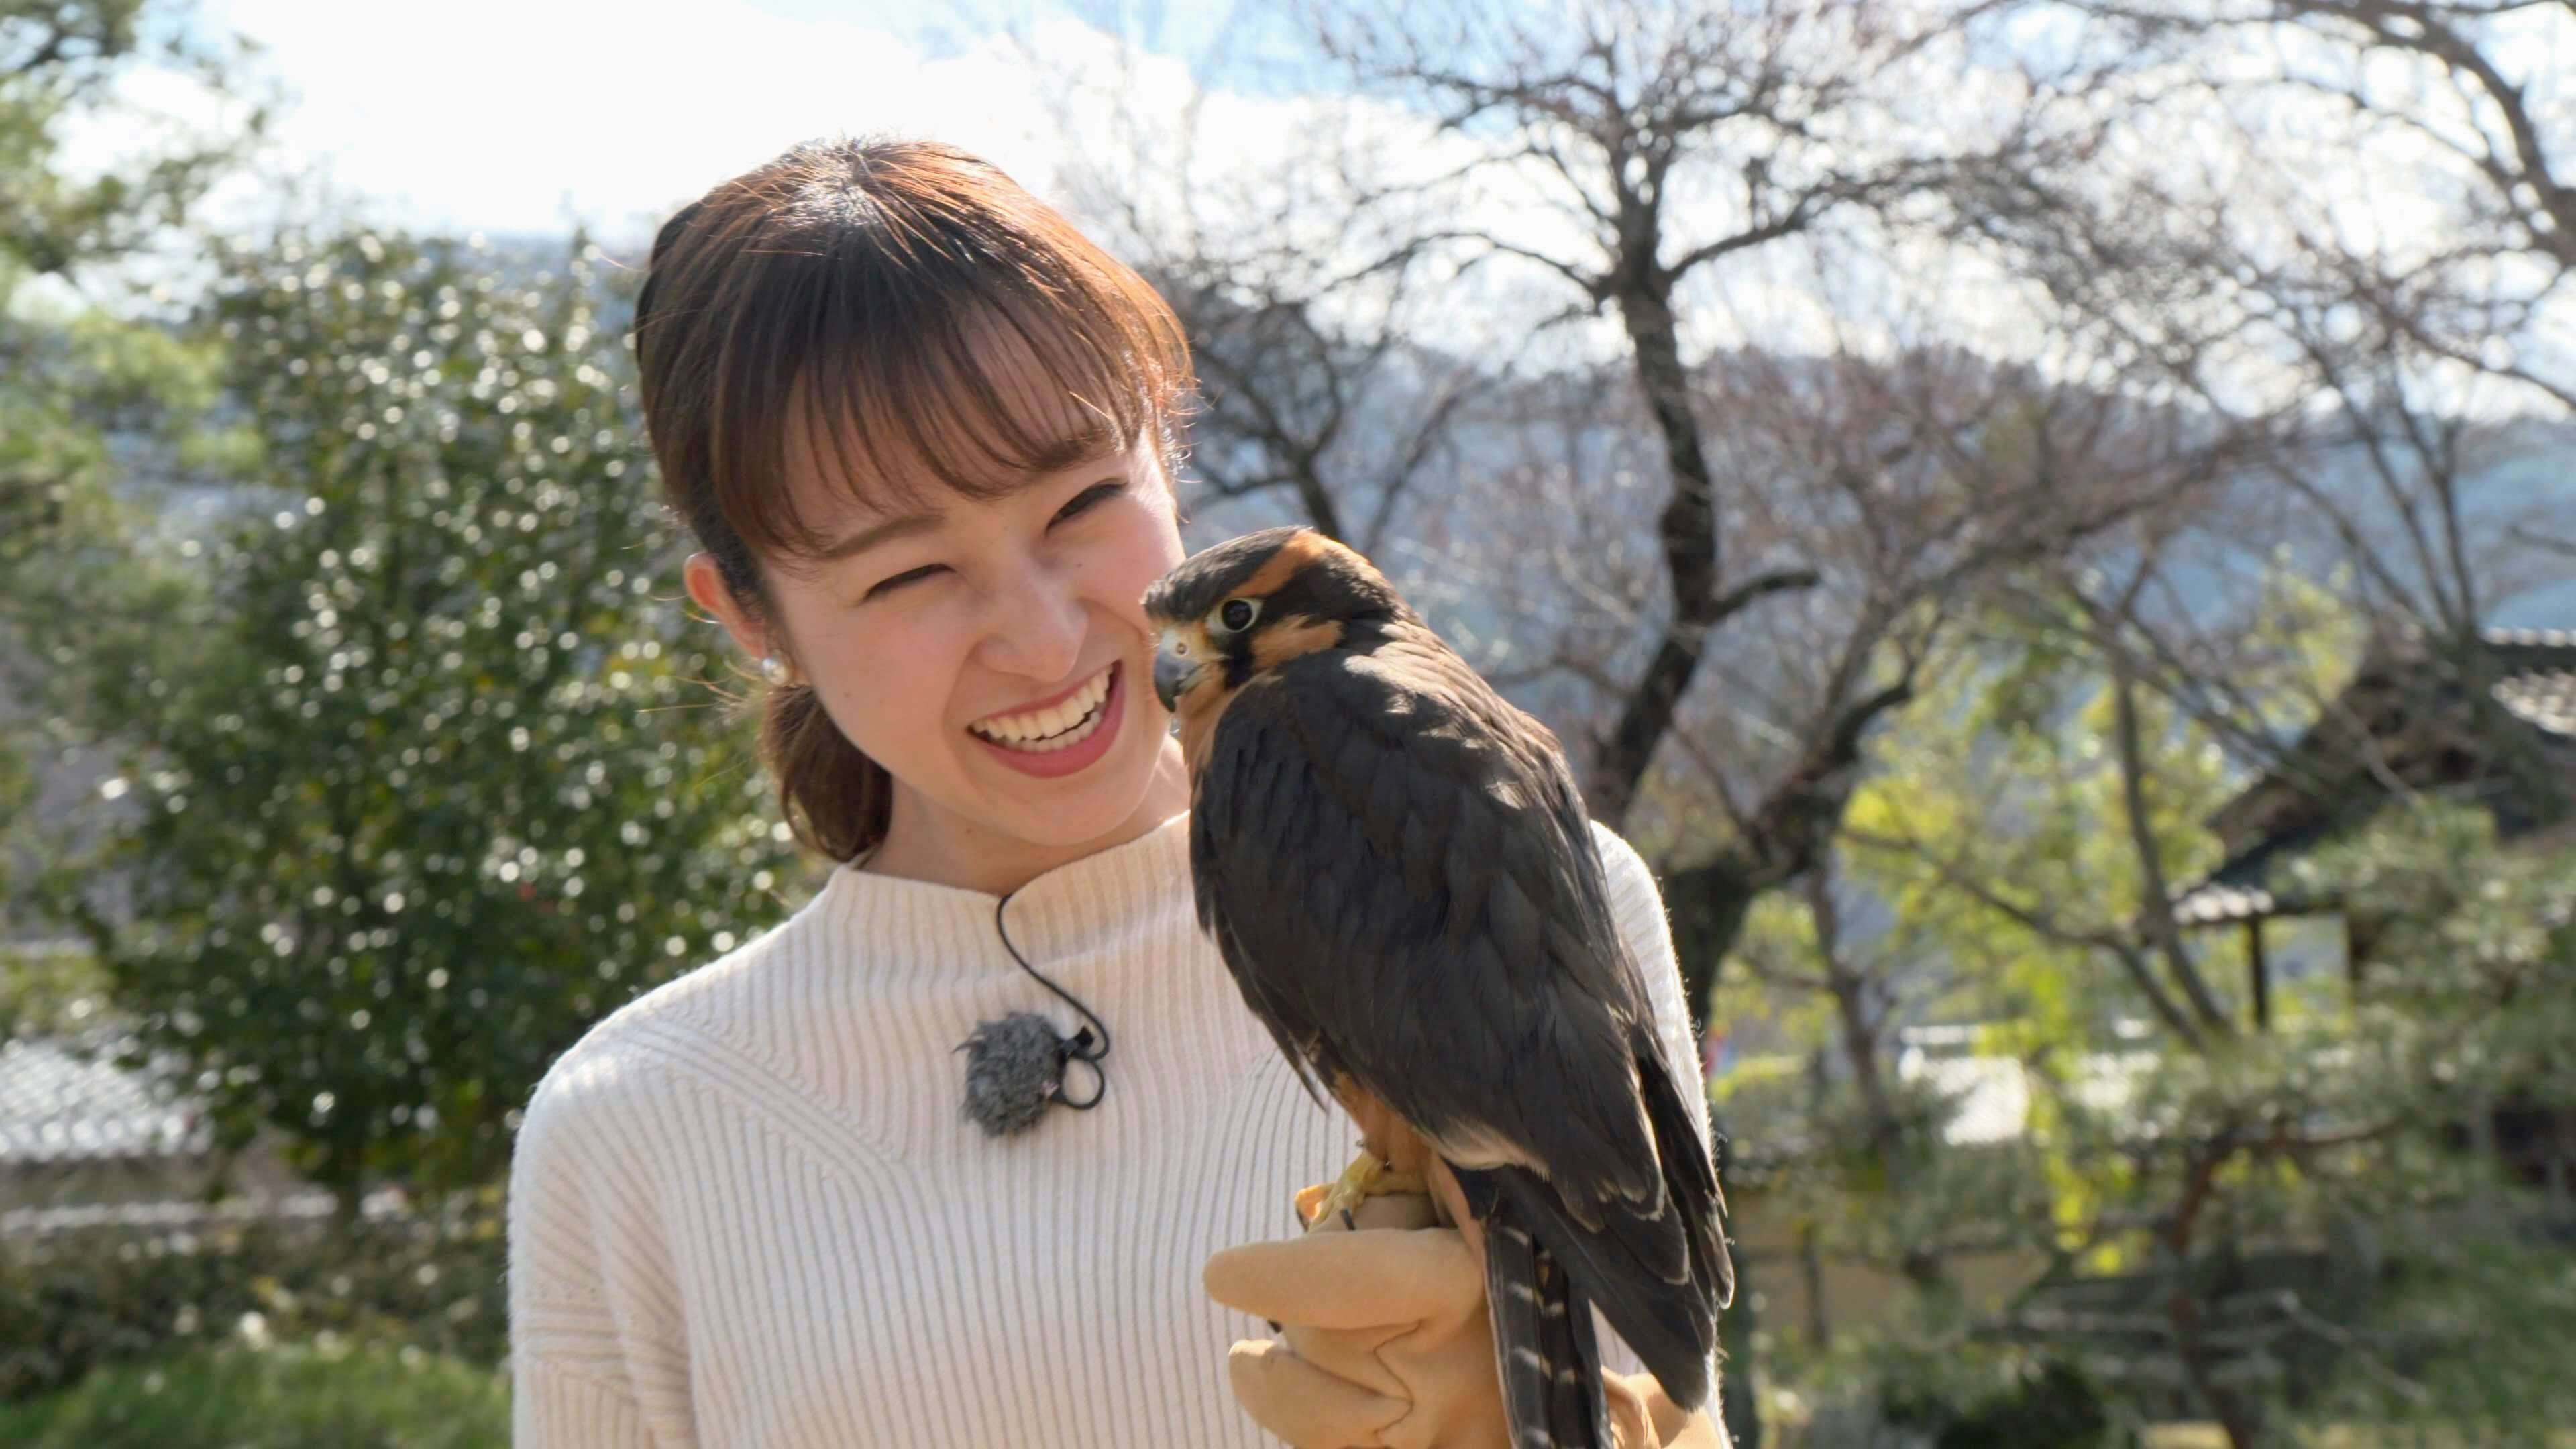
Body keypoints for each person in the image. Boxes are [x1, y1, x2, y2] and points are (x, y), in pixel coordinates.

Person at [504, 134, 1726, 1449]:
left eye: (1081, 503)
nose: (1041, 638)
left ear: (1167, 445)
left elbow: (1678, 1402)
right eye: (906, 576)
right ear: (752, 620)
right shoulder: (632, 1126)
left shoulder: (1528, 878)